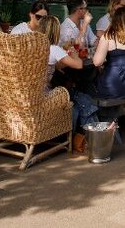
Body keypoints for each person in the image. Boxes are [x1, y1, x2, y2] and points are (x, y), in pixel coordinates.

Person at [38, 15, 91, 153]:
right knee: (75, 100)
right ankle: (71, 136)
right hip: (43, 96)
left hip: (30, 93)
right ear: (55, 32)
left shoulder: (33, 46)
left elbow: (52, 65)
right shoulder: (54, 49)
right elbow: (79, 65)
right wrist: (73, 53)